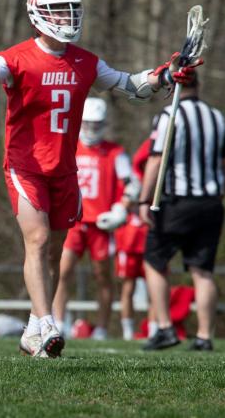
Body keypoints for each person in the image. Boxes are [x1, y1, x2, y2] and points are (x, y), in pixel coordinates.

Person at [0, 0, 199, 357]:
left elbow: (130, 85)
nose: (67, 17)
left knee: (54, 254)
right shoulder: (16, 57)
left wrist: (165, 74)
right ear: (38, 15)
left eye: (71, 10)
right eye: (59, 11)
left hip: (65, 171)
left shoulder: (85, 61)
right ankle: (48, 322)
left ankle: (33, 329)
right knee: (36, 242)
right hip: (26, 166)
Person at [139, 72, 225, 352]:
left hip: (177, 202)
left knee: (154, 262)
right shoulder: (217, 117)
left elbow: (156, 159)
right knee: (202, 271)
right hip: (211, 201)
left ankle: (165, 328)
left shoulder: (170, 115)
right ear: (198, 84)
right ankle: (204, 336)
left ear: (173, 87)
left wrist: (143, 200)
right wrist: (220, 193)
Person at [52, 97, 138, 339]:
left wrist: (121, 209)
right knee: (61, 271)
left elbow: (132, 185)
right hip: (72, 221)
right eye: (87, 123)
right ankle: (58, 321)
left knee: (103, 277)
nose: (91, 129)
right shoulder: (68, 146)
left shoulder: (115, 152)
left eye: (96, 124)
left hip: (101, 223)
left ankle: (101, 327)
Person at [116, 131, 154, 340]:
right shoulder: (134, 181)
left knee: (154, 286)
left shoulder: (160, 182)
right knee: (128, 287)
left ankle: (156, 327)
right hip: (130, 242)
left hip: (149, 239)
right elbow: (124, 203)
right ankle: (128, 331)